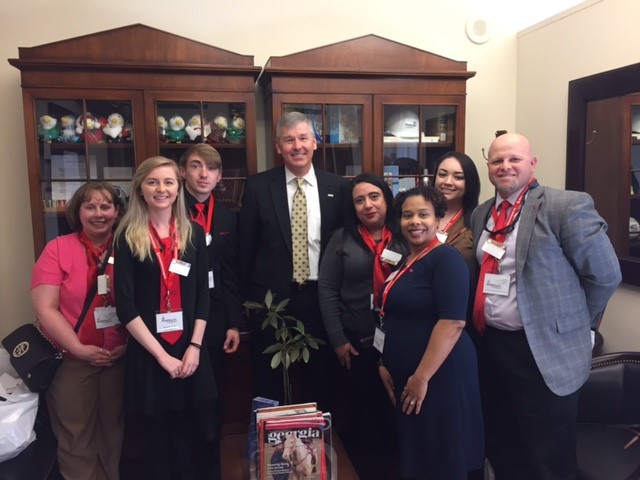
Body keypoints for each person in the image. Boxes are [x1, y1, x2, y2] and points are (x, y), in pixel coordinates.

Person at [470, 133, 622, 480]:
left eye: (514, 160)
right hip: (492, 346)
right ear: (489, 167)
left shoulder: (565, 206)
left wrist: (579, 326)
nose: (505, 167)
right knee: (504, 444)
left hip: (543, 352)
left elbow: (605, 275)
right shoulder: (482, 214)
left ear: (532, 163)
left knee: (548, 456)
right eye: (497, 161)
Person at [114, 156, 217, 480]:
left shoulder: (194, 235)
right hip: (150, 355)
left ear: (178, 187)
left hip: (190, 350)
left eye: (168, 182)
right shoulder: (127, 237)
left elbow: (203, 294)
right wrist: (162, 357)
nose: (162, 189)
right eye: (153, 182)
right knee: (156, 442)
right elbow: (125, 307)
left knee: (196, 436)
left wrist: (195, 347)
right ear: (141, 189)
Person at [238, 111, 349, 408]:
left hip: (320, 299)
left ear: (314, 143)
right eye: (289, 140)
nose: (297, 146)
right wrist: (248, 304)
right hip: (271, 303)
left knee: (321, 377)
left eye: (303, 138)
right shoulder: (258, 187)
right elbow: (246, 250)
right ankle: (271, 448)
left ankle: (318, 447)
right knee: (269, 379)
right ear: (278, 147)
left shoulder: (337, 188)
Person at [378, 185, 484, 480]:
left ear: (438, 219)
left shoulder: (446, 259)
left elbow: (453, 322)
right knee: (421, 457)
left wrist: (421, 377)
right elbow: (393, 315)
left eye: (423, 214)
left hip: (439, 376)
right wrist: (385, 362)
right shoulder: (406, 261)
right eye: (407, 215)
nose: (415, 221)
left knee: (441, 459)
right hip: (410, 376)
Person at [31, 182, 127, 480]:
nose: (98, 214)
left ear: (117, 211)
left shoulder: (129, 247)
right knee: (76, 438)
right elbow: (45, 307)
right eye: (90, 206)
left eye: (105, 206)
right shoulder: (57, 248)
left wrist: (127, 346)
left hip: (118, 358)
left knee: (112, 434)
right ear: (78, 211)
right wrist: (79, 348)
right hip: (72, 360)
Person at [318, 172, 405, 478]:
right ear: (352, 207)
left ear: (386, 199)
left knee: (396, 411)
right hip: (356, 341)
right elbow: (327, 290)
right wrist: (338, 339)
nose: (368, 205)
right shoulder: (341, 239)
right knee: (362, 414)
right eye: (359, 200)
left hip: (401, 340)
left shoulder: (406, 233)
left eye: (374, 197)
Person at [178, 143, 241, 480]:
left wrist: (234, 323)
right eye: (196, 166)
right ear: (183, 171)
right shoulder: (167, 210)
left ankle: (210, 465)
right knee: (181, 398)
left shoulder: (230, 216)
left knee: (211, 395)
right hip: (176, 316)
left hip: (215, 318)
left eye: (212, 169)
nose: (204, 175)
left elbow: (230, 272)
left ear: (219, 176)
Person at [432, 151, 481, 263]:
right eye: (442, 175)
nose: (448, 182)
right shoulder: (420, 215)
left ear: (469, 183)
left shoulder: (478, 220)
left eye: (458, 177)